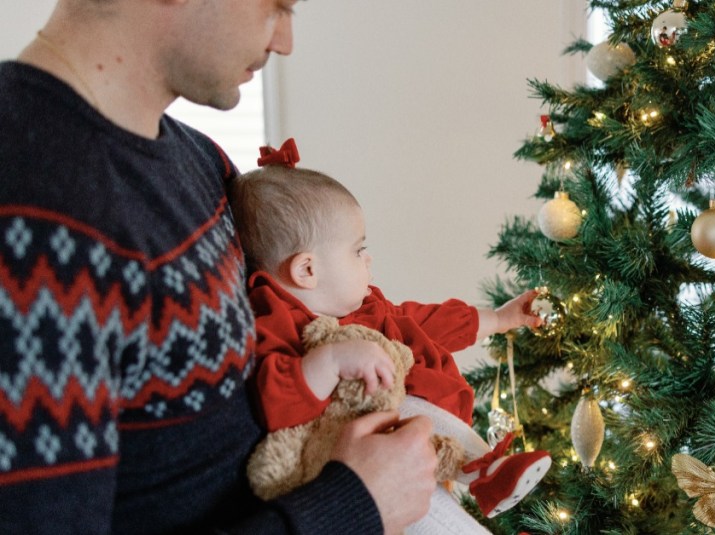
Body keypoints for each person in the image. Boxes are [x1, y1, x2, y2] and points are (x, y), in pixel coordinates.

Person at [0, 1, 437, 534]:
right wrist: (354, 505)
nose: (285, 41)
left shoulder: (198, 159)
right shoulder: (33, 220)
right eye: (276, 6)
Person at [230, 140, 552, 526]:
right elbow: (273, 397)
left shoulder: (366, 307)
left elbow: (426, 323)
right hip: (366, 463)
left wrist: (499, 320)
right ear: (307, 271)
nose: (368, 260)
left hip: (421, 447)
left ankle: (483, 471)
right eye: (357, 250)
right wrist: (330, 361)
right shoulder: (273, 318)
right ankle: (480, 472)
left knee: (422, 414)